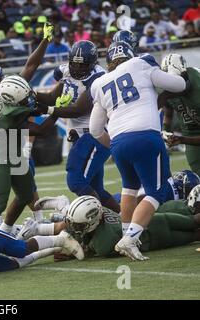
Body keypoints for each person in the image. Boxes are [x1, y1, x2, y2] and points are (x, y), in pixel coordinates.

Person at [88, 41, 187, 261]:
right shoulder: (141, 64)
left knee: (130, 188)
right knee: (156, 191)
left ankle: (126, 233)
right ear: (131, 54)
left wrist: (114, 145)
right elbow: (178, 85)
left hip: (118, 142)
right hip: (145, 135)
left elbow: (95, 130)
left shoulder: (100, 82)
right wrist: (173, 71)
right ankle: (131, 238)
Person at [0, 23, 58, 232]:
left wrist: (45, 40)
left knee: (26, 195)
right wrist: (56, 110)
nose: (28, 99)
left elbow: (31, 65)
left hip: (14, 153)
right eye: (24, 99)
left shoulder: (11, 89)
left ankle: (6, 230)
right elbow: (41, 130)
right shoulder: (8, 114)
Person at [36, 40, 119, 212]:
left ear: (93, 63)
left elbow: (78, 110)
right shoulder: (65, 71)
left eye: (83, 65)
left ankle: (97, 221)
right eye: (75, 64)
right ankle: (122, 218)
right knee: (98, 191)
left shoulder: (98, 77)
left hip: (95, 135)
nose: (78, 69)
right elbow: (52, 97)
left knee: (76, 180)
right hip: (81, 137)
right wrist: (31, 95)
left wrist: (48, 109)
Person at [62, 194, 200, 259]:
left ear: (92, 220)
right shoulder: (100, 210)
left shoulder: (103, 242)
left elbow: (90, 251)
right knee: (193, 221)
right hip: (153, 219)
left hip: (156, 238)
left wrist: (74, 252)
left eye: (80, 225)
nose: (77, 228)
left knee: (195, 234)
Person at [159, 53, 200, 176]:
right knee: (197, 170)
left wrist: (182, 139)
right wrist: (166, 131)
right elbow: (168, 113)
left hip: (190, 135)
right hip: (191, 131)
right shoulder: (166, 87)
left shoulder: (197, 86)